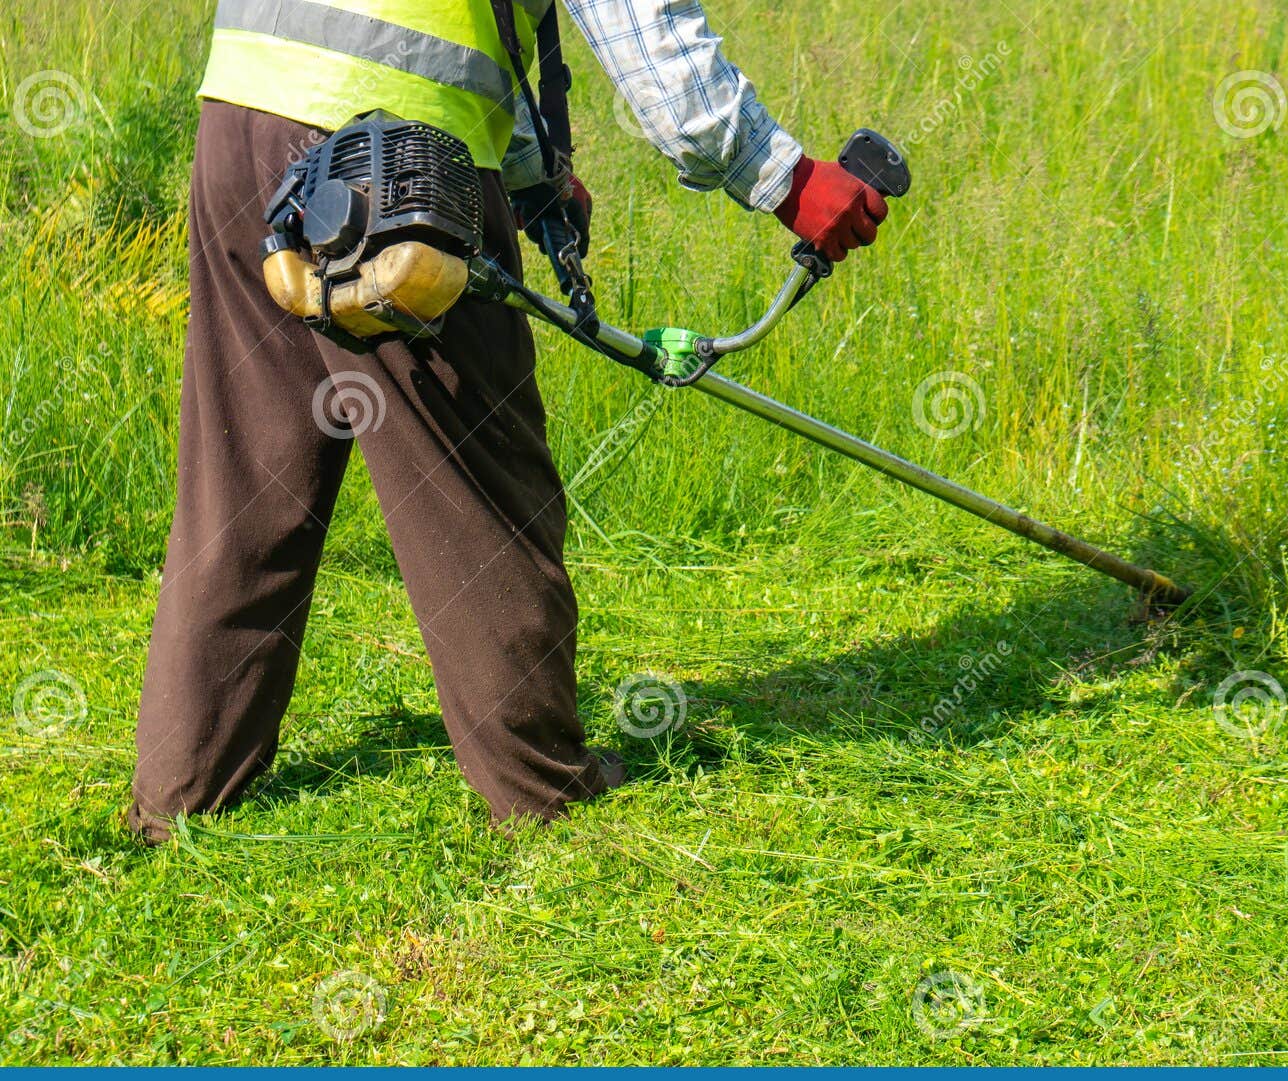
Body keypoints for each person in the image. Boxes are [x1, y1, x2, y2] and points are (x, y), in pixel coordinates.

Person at [128, 0, 889, 844]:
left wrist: (529, 173)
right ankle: (539, 786)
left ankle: (183, 786)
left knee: (244, 472)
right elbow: (635, 17)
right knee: (481, 480)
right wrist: (783, 175)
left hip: (243, 114)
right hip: (395, 158)